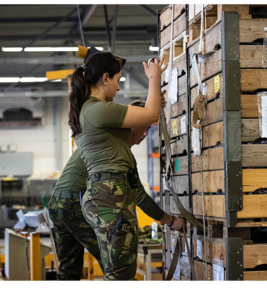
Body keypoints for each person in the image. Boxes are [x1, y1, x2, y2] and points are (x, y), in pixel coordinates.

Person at [48, 98, 185, 283]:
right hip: (76, 205)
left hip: (58, 204)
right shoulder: (116, 150)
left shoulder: (100, 140)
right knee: (118, 269)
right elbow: (138, 195)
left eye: (148, 129)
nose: (145, 134)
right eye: (142, 127)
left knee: (68, 273)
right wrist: (170, 221)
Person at [68, 51, 167, 282]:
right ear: (105, 78)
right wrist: (154, 78)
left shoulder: (92, 110)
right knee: (120, 275)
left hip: (108, 196)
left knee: (120, 272)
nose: (119, 88)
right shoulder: (98, 109)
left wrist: (153, 101)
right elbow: (150, 114)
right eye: (117, 80)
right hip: (109, 197)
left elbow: (130, 138)